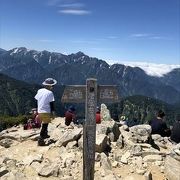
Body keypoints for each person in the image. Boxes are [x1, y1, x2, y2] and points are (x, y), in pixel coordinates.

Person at [35, 78, 57, 146]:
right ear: (49, 86)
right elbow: (51, 103)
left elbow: (37, 99)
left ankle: (45, 135)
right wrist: (53, 112)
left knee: (44, 124)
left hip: (40, 110)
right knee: (45, 125)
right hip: (46, 111)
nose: (53, 87)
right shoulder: (50, 93)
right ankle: (41, 139)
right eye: (52, 86)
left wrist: (36, 110)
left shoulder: (39, 90)